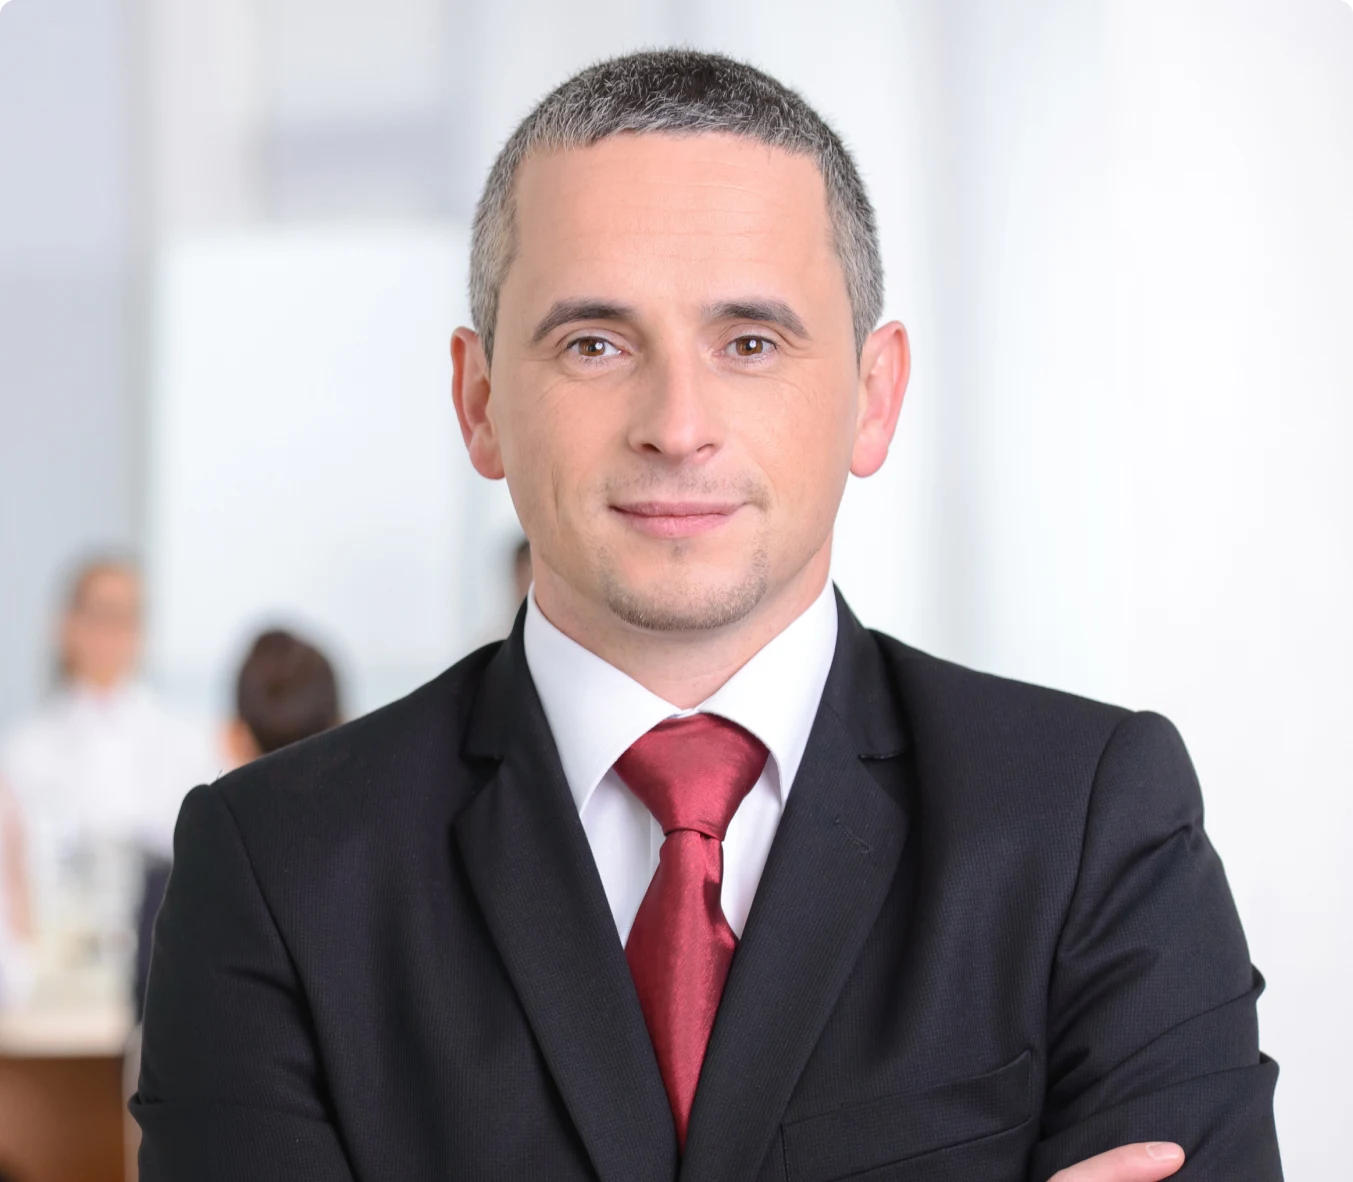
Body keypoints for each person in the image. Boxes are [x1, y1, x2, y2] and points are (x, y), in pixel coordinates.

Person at [133, 51, 1281, 1181]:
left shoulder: (1090, 823)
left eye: (750, 343)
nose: (678, 425)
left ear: (874, 399)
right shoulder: (275, 871)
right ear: (480, 403)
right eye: (595, 343)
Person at [0, 556, 218, 1003]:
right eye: (100, 615)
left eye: (126, 618)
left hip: (159, 982)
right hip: (49, 990)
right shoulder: (24, 750)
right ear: (66, 625)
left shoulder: (184, 744)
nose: (111, 634)